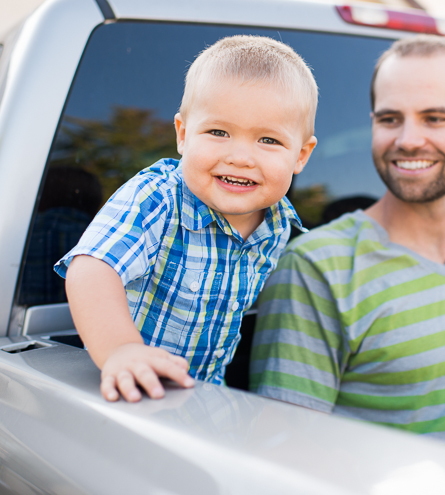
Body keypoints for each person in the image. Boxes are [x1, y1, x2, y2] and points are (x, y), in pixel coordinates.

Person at [249, 35, 445, 467]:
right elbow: (290, 455)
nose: (408, 139)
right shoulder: (317, 268)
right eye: (390, 119)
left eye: (434, 118)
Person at [54, 35, 318, 403]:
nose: (240, 157)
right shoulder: (157, 197)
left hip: (204, 395)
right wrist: (120, 350)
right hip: (127, 391)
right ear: (182, 134)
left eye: (268, 140)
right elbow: (92, 269)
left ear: (301, 155)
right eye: (218, 132)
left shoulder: (275, 225)